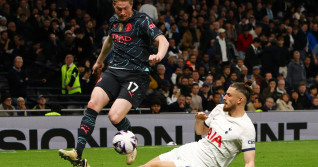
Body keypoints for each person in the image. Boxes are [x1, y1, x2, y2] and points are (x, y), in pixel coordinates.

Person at [58, 0, 169, 166]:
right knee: (93, 103)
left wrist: (159, 55)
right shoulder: (113, 20)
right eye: (119, 9)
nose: (122, 12)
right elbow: (109, 41)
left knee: (114, 116)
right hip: (114, 71)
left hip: (136, 75)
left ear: (131, 4)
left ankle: (132, 143)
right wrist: (99, 61)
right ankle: (77, 153)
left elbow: (163, 40)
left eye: (125, 9)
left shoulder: (142, 20)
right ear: (113, 6)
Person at [140, 81, 256, 167]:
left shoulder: (246, 128)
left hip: (202, 163)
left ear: (239, 100)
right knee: (146, 166)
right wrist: (199, 120)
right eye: (225, 94)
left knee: (154, 166)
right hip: (191, 150)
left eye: (229, 95)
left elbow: (249, 162)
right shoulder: (219, 109)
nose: (224, 97)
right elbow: (200, 131)